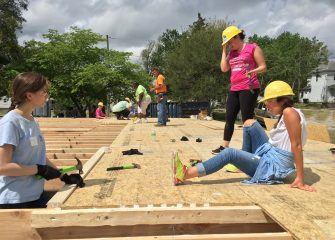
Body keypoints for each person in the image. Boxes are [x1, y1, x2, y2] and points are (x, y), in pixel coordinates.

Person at [172, 80, 316, 192]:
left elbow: (296, 145)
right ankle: (245, 162)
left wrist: (300, 179)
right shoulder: (291, 111)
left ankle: (185, 174)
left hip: (273, 166)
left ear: (282, 100)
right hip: (271, 155)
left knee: (229, 153)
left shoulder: (289, 113)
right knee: (249, 123)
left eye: (269, 101)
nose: (267, 105)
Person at [0, 72, 83, 209]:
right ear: (29, 95)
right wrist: (39, 170)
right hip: (14, 201)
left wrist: (63, 176)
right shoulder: (10, 123)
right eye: (43, 92)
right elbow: (2, 167)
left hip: (35, 195)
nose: (46, 95)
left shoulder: (32, 121)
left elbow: (38, 157)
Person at [212, 26, 267, 158]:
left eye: (230, 42)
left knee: (247, 120)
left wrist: (252, 71)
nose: (230, 45)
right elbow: (224, 68)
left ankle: (248, 149)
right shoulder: (231, 53)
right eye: (227, 44)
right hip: (234, 88)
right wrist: (224, 49)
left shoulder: (252, 48)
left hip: (249, 87)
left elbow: (263, 67)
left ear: (237, 37)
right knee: (229, 118)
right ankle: (224, 147)